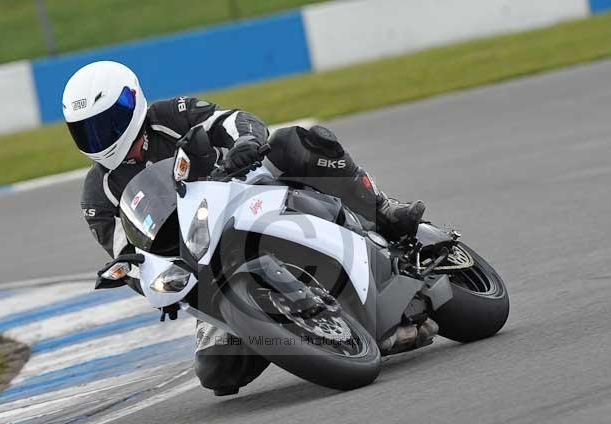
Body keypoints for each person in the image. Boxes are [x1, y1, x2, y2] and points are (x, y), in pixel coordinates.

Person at [63, 61, 425, 395]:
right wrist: (150, 280)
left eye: (107, 123)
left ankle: (382, 209)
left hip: (246, 191)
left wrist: (246, 141)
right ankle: (292, 331)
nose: (99, 138)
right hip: (201, 266)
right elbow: (127, 256)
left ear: (133, 102)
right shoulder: (97, 195)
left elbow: (234, 119)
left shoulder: (171, 114)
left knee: (292, 142)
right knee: (216, 373)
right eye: (87, 132)